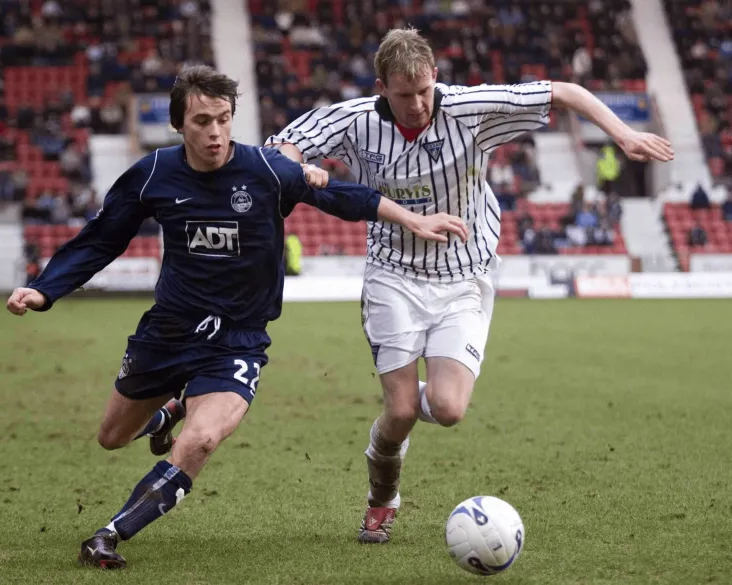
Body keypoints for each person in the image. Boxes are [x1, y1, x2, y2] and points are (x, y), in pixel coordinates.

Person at [4, 64, 468, 568]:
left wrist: (412, 218)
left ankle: (108, 535)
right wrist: (44, 290)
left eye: (224, 118)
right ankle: (167, 412)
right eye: (202, 121)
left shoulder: (266, 170)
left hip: (237, 341)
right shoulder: (153, 174)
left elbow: (343, 197)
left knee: (202, 440)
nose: (216, 132)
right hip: (168, 332)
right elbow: (101, 239)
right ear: (179, 124)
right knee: (111, 437)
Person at [265, 27, 674, 544]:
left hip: (464, 275)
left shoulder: (469, 108)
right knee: (400, 412)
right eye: (404, 94)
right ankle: (382, 497)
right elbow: (278, 149)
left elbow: (565, 91)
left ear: (435, 76)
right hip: (393, 273)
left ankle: (403, 399)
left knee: (449, 408)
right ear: (381, 87)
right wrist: (302, 167)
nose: (417, 104)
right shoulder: (353, 119)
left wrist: (624, 134)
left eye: (424, 90)